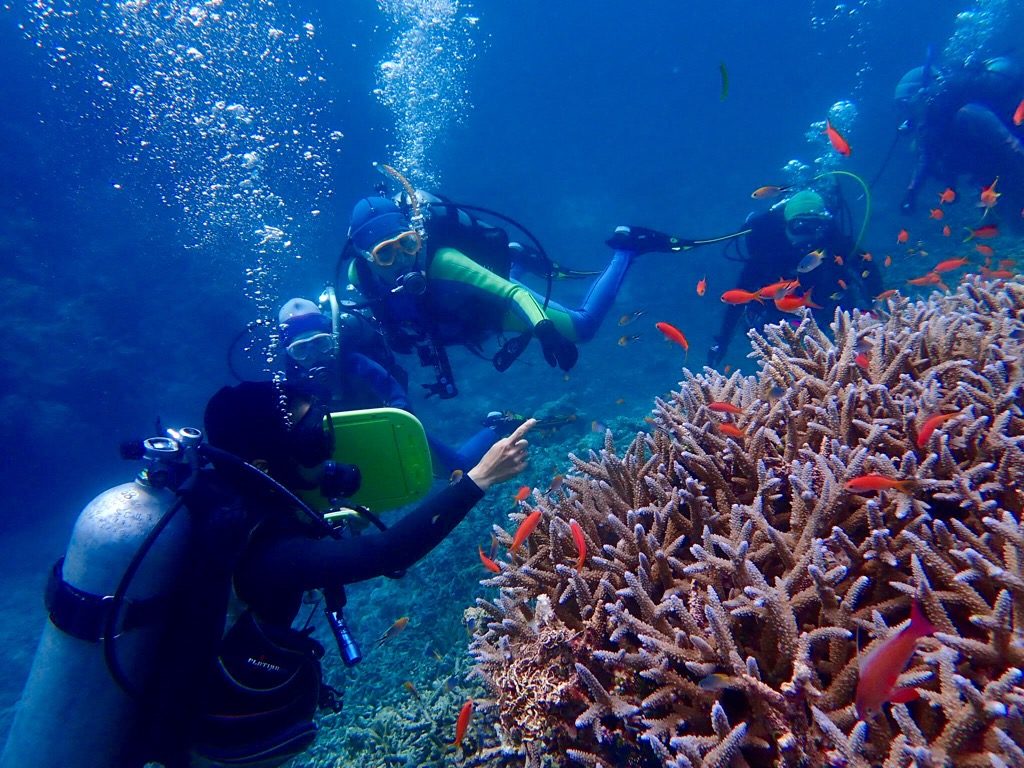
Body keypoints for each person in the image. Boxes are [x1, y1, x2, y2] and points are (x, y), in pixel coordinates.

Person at [1, 380, 534, 768]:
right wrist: (480, 478)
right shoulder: (257, 542)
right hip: (207, 746)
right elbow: (386, 553)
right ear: (266, 454)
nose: (322, 443)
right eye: (308, 434)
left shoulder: (224, 493)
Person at [341, 195, 680, 377]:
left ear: (418, 236)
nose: (402, 259)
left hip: (494, 309)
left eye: (408, 243)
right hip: (457, 321)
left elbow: (512, 293)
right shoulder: (360, 279)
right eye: (385, 254)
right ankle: (516, 259)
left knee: (583, 327)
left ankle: (626, 248)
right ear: (366, 258)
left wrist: (544, 330)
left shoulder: (444, 261)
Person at [277, 296, 506, 474]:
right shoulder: (293, 385)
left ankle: (497, 426)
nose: (314, 355)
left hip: (386, 429)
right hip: (348, 444)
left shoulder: (353, 362)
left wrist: (400, 422)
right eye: (301, 349)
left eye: (320, 343)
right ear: (289, 354)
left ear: (332, 339)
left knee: (457, 469)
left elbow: (393, 391)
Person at [707, 188, 882, 368]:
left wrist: (878, 307)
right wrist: (722, 341)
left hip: (829, 309)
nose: (806, 235)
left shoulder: (833, 242)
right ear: (786, 225)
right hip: (777, 317)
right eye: (799, 227)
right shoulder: (768, 250)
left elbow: (869, 270)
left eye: (813, 226)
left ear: (823, 226)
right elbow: (739, 295)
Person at [895, 55, 1024, 215]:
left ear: (921, 94)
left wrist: (1016, 150)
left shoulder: (953, 104)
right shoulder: (932, 121)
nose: (907, 113)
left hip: (1005, 154)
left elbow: (992, 126)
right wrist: (912, 192)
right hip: (994, 162)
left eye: (906, 105)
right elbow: (926, 156)